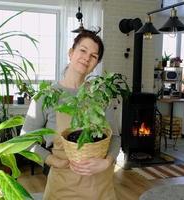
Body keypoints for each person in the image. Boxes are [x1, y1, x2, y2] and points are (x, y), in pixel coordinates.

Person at [21, 29, 120, 200]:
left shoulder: (101, 95)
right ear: (71, 52)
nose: (87, 58)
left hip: (100, 188)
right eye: (83, 50)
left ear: (96, 63)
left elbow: (115, 137)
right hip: (64, 184)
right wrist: (53, 160)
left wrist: (106, 162)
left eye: (94, 56)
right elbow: (24, 140)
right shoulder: (46, 96)